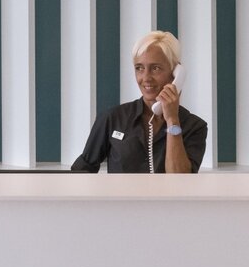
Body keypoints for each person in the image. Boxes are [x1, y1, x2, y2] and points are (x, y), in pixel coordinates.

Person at [71, 31, 207, 173]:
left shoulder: (195, 127)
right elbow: (81, 172)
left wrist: (172, 120)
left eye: (155, 68)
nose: (146, 78)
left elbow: (180, 180)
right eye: (139, 68)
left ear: (175, 73)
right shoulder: (112, 119)